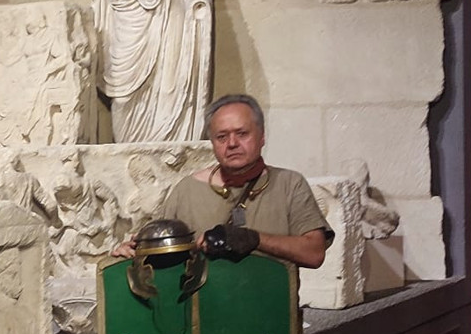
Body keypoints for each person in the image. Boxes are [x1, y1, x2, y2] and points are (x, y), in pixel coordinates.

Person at [114, 94, 330, 270]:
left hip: (271, 313)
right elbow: (161, 255)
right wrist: (134, 251)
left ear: (262, 136)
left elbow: (314, 253)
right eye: (222, 137)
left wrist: (254, 239)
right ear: (213, 143)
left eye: (242, 133)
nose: (232, 143)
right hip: (203, 315)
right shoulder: (187, 191)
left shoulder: (289, 184)